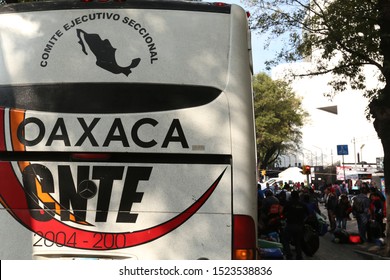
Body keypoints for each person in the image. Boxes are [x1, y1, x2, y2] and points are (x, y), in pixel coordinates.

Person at [281, 191, 309, 260]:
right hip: (299, 226)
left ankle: (289, 255)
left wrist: (285, 217)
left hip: (290, 225)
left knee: (285, 240)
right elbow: (308, 214)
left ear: (291, 196)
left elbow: (283, 214)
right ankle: (299, 256)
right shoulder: (302, 204)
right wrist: (303, 221)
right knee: (298, 242)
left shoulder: (288, 204)